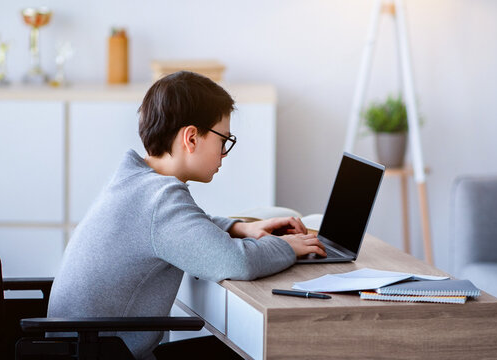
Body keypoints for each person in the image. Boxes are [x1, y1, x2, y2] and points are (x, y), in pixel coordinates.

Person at [47, 71, 326, 359]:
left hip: (81, 349)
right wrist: (287, 247)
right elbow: (236, 261)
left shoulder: (134, 180)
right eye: (223, 141)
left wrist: (239, 228)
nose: (224, 153)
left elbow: (179, 227)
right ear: (191, 138)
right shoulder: (161, 198)